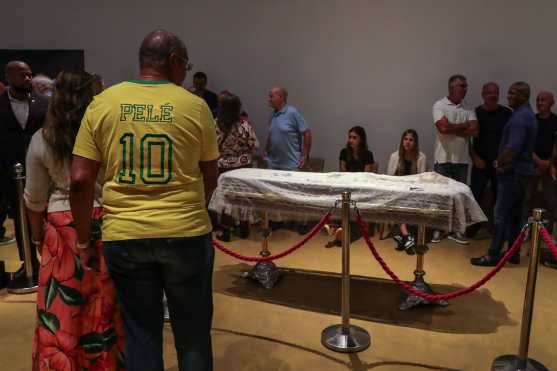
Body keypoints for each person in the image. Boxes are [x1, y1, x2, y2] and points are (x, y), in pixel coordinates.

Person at [70, 30, 219, 371]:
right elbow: (210, 177)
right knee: (193, 334)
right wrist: (192, 208)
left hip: (125, 235)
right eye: (186, 64)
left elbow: (79, 180)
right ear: (172, 61)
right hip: (186, 233)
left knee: (141, 334)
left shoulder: (103, 103)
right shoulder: (195, 106)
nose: (185, 73)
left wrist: (83, 239)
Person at [25, 70, 125, 370]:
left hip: (60, 227)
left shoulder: (42, 140)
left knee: (63, 309)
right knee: (105, 305)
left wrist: (36, 237)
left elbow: (34, 198)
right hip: (106, 221)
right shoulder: (107, 134)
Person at [471, 82, 537, 266]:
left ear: (524, 96)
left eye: (512, 93)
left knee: (500, 214)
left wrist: (499, 162)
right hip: (522, 174)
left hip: (513, 174)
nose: (508, 96)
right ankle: (513, 253)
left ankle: (493, 254)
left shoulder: (520, 118)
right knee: (515, 216)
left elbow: (513, 148)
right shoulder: (526, 114)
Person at [0, 61, 49, 278]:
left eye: (30, 74)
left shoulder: (44, 102)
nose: (28, 78)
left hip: (41, 170)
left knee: (44, 217)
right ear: (8, 76)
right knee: (19, 220)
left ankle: (49, 261)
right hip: (7, 172)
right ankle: (28, 262)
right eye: (22, 75)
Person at [432, 74, 478, 244]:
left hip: (462, 160)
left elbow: (474, 130)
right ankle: (438, 229)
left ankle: (457, 231)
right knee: (440, 197)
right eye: (462, 86)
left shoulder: (469, 108)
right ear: (452, 88)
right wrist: (464, 125)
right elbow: (442, 128)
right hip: (442, 159)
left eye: (466, 86)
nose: (465, 89)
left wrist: (451, 127)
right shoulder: (439, 105)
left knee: (460, 197)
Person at [467, 82, 512, 238]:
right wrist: (474, 157)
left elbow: (511, 140)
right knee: (476, 196)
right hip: (480, 162)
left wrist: (504, 161)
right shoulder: (475, 113)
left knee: (499, 197)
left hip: (500, 162)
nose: (492, 96)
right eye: (489, 93)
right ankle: (472, 230)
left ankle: (498, 230)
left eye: (495, 93)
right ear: (483, 94)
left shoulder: (507, 113)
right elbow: (468, 140)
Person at [265, 86, 312, 234]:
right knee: (274, 194)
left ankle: (301, 223)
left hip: (291, 162)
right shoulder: (274, 114)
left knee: (296, 193)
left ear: (281, 97)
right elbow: (272, 134)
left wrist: (305, 155)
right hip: (274, 162)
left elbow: (307, 133)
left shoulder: (292, 112)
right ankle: (278, 221)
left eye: (271, 96)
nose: (269, 99)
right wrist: (266, 150)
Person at [214, 94, 259, 242]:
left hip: (223, 168)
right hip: (243, 167)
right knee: (243, 197)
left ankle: (225, 230)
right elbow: (255, 145)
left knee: (226, 198)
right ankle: (244, 226)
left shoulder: (216, 125)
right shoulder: (244, 125)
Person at [325, 126, 375, 247]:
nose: (351, 140)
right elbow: (342, 173)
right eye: (349, 137)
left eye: (354, 138)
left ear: (361, 140)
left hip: (361, 189)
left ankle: (342, 234)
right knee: (336, 198)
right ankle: (336, 229)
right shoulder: (344, 152)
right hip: (346, 186)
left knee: (352, 204)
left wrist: (355, 185)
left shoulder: (368, 155)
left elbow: (366, 177)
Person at [387, 129, 427, 253]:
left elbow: (422, 179)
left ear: (415, 143)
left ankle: (402, 236)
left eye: (411, 140)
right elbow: (389, 177)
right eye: (405, 139)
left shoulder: (421, 157)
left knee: (404, 201)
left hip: (414, 191)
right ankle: (406, 235)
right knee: (399, 200)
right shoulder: (395, 156)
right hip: (398, 190)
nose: (408, 142)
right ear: (402, 141)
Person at [523, 91, 557, 234]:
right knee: (527, 198)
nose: (539, 103)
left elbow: (556, 144)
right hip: (532, 165)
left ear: (551, 103)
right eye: (537, 100)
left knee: (550, 200)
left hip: (551, 167)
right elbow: (526, 144)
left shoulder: (556, 120)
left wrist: (549, 163)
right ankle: (526, 231)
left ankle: (547, 233)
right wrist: (538, 162)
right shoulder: (532, 120)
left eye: (543, 100)